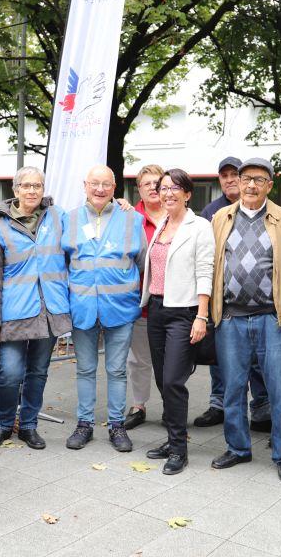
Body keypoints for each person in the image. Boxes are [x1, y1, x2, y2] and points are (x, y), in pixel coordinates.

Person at [209, 158, 281, 482]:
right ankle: (237, 448)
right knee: (233, 388)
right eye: (246, 179)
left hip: (272, 319)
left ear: (269, 185)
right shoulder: (221, 217)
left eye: (258, 180)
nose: (250, 185)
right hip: (230, 318)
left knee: (279, 390)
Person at [0, 167, 70, 450]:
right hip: (14, 313)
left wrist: (121, 204)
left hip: (50, 310)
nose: (32, 191)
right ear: (15, 189)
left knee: (38, 371)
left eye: (37, 186)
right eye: (26, 186)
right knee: (9, 373)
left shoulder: (59, 217)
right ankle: (5, 423)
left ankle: (29, 424)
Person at [62, 165, 146, 452]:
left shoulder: (131, 218)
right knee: (85, 369)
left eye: (106, 184)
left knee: (117, 370)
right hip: (83, 306)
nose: (100, 189)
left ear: (114, 187)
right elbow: (62, 263)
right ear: (85, 185)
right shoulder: (69, 219)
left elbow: (142, 261)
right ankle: (84, 424)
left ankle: (116, 425)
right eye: (94, 183)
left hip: (120, 308)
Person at [139, 168, 213, 474]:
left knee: (173, 380)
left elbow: (205, 270)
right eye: (164, 187)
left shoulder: (200, 227)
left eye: (175, 188)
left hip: (184, 312)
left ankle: (179, 449)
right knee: (161, 379)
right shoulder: (161, 225)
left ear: (187, 193)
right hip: (156, 309)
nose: (168, 193)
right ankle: (172, 438)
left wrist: (201, 315)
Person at [196, 157, 270, 430]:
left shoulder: (269, 212)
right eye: (224, 175)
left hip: (262, 309)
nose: (229, 180)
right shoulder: (211, 213)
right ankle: (219, 405)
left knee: (258, 364)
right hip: (224, 306)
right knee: (222, 362)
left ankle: (261, 408)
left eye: (233, 174)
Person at [125, 164, 168, 430]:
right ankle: (138, 405)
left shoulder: (177, 217)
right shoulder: (129, 217)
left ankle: (171, 406)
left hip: (172, 303)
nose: (153, 187)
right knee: (138, 359)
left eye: (157, 183)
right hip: (139, 303)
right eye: (147, 183)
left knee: (170, 362)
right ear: (139, 189)